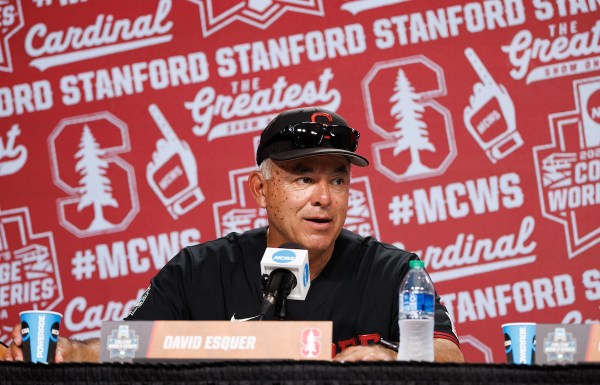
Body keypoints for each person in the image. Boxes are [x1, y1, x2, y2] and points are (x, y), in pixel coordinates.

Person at [3, 107, 464, 363]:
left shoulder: (394, 271)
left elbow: (447, 354)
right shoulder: (199, 271)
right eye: (304, 178)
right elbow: (128, 344)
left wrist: (392, 359)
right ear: (260, 190)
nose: (325, 197)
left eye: (338, 179)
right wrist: (71, 352)